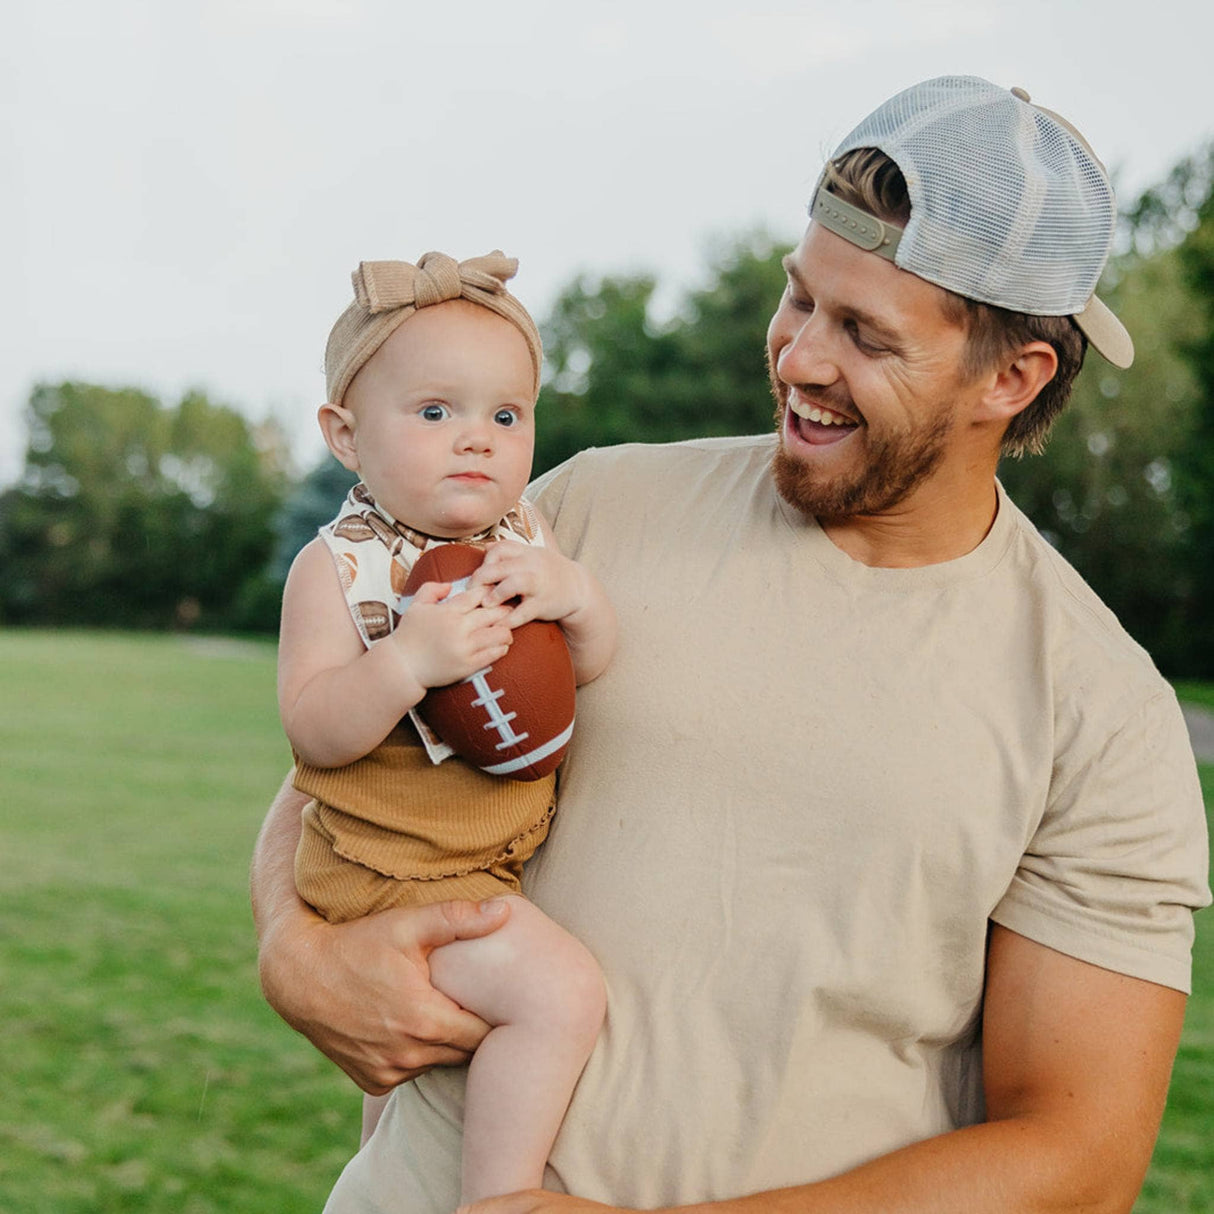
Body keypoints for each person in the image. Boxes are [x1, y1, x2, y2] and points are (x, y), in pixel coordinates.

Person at [252, 77, 1211, 1214]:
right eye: (799, 296)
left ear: (1008, 378)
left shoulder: (1098, 713)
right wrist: (294, 950)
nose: (799, 357)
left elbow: (1076, 1154)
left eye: (863, 333)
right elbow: (332, 765)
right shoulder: (589, 508)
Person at [275, 250, 614, 1204]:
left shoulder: (526, 537)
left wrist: (576, 598)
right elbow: (313, 731)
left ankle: (380, 1182)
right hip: (388, 868)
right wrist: (406, 662)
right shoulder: (337, 570)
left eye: (505, 416)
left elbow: (583, 669)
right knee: (559, 992)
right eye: (435, 413)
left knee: (404, 1101)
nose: (477, 440)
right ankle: (499, 1197)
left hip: (482, 855)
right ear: (346, 433)